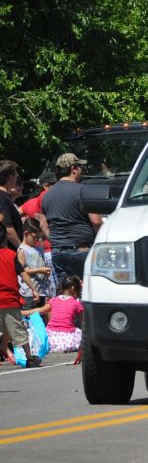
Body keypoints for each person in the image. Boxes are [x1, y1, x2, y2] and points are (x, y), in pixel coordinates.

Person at [41, 153, 102, 282]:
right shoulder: (84, 191)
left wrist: (58, 242)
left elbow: (43, 225)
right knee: (87, 290)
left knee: (66, 293)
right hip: (81, 251)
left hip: (58, 253)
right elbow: (96, 221)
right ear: (73, 169)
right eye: (80, 167)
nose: (81, 170)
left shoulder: (47, 195)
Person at [0, 234, 37, 366]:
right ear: (4, 239)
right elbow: (22, 272)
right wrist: (33, 288)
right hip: (10, 300)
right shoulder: (11, 254)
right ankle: (30, 358)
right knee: (18, 330)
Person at [22, 275, 83, 354]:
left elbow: (39, 310)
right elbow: (84, 323)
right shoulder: (76, 303)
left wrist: (21, 313)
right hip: (68, 339)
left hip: (51, 338)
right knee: (80, 332)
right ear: (73, 288)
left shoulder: (53, 301)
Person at [17, 219, 52, 313]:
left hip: (41, 291)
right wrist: (39, 270)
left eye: (38, 238)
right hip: (29, 293)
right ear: (26, 233)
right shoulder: (22, 250)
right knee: (29, 319)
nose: (37, 240)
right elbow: (21, 271)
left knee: (40, 318)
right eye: (35, 237)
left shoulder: (38, 248)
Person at [0, 159, 24, 249]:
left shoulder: (5, 197)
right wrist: (21, 247)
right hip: (10, 252)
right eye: (16, 175)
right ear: (10, 177)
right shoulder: (2, 198)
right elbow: (7, 227)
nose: (17, 178)